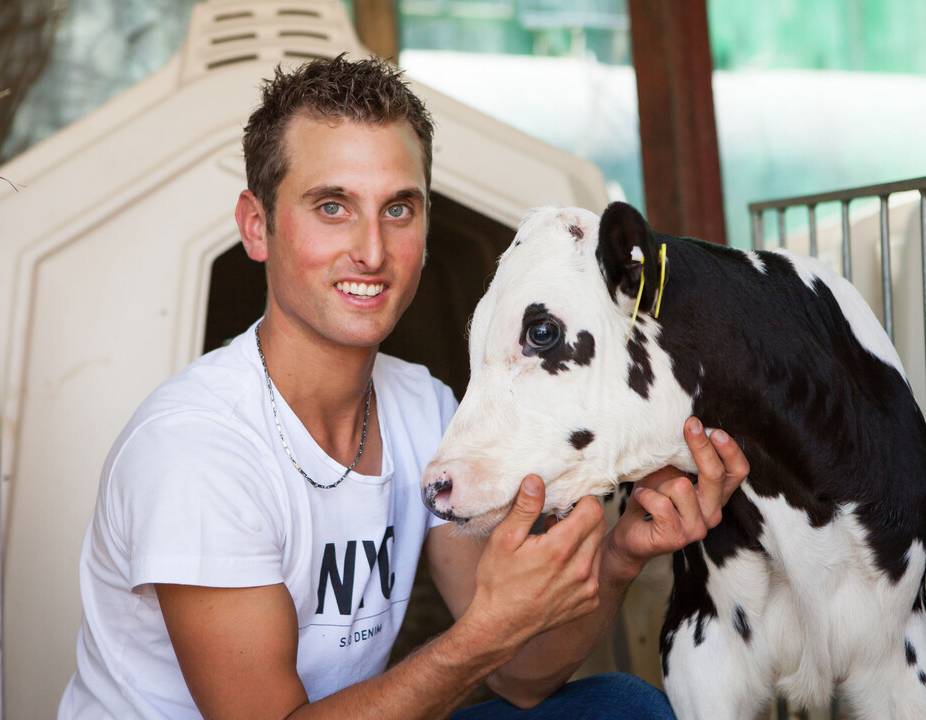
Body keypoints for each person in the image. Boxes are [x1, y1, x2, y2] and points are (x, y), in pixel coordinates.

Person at [58, 54, 749, 719]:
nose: (372, 251)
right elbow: (483, 642)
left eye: (398, 209)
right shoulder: (195, 451)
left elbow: (522, 676)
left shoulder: (422, 408)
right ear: (256, 226)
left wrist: (622, 554)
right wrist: (480, 634)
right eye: (332, 207)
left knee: (622, 708)